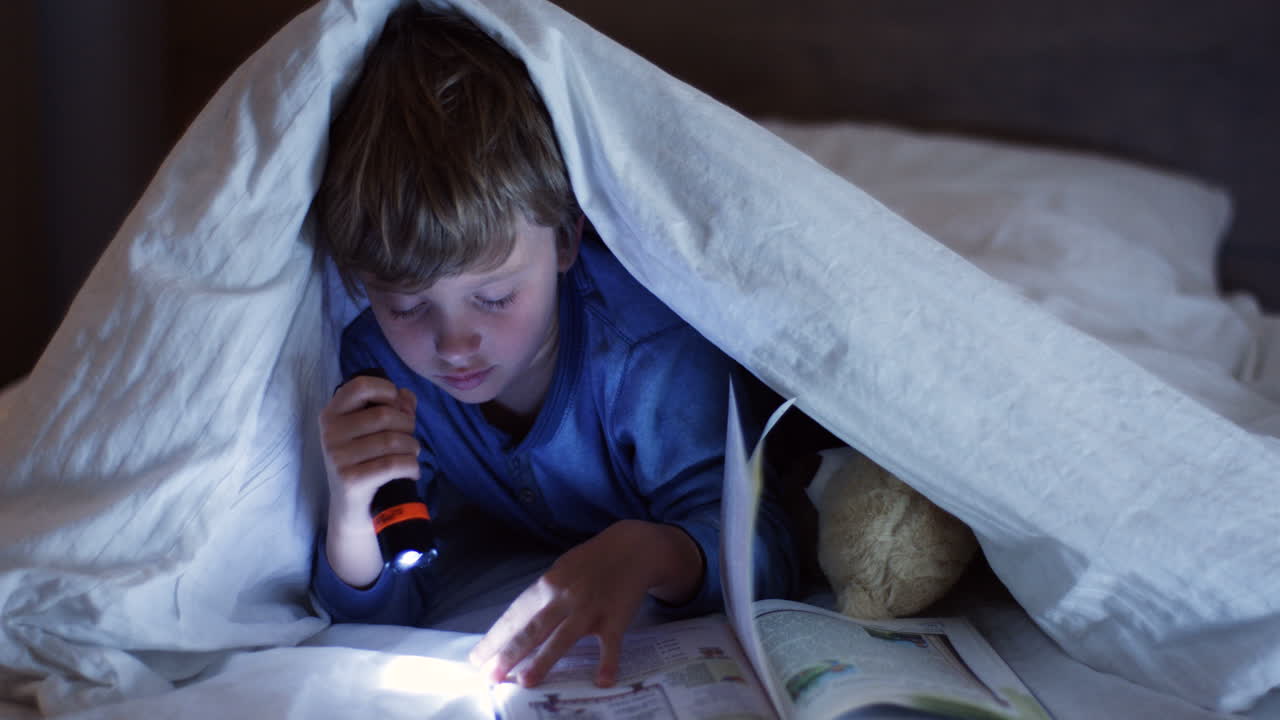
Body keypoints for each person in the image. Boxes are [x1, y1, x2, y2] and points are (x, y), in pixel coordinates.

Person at [309, 4, 795, 690]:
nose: (454, 343)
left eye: (496, 296)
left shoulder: (645, 353)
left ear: (565, 241)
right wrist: (354, 516)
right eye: (408, 305)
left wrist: (648, 551)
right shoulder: (381, 369)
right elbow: (382, 605)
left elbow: (770, 544)